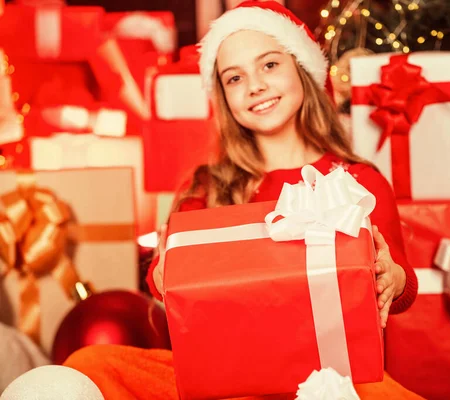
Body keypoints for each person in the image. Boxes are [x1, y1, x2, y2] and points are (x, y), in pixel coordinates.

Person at [62, 2, 421, 399]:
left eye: (269, 65)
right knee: (90, 365)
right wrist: (165, 272)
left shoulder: (357, 181)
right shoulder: (207, 187)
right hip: (226, 378)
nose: (255, 86)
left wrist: (391, 277)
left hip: (329, 379)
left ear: (301, 69)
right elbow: (165, 277)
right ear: (224, 97)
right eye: (235, 78)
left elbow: (402, 282)